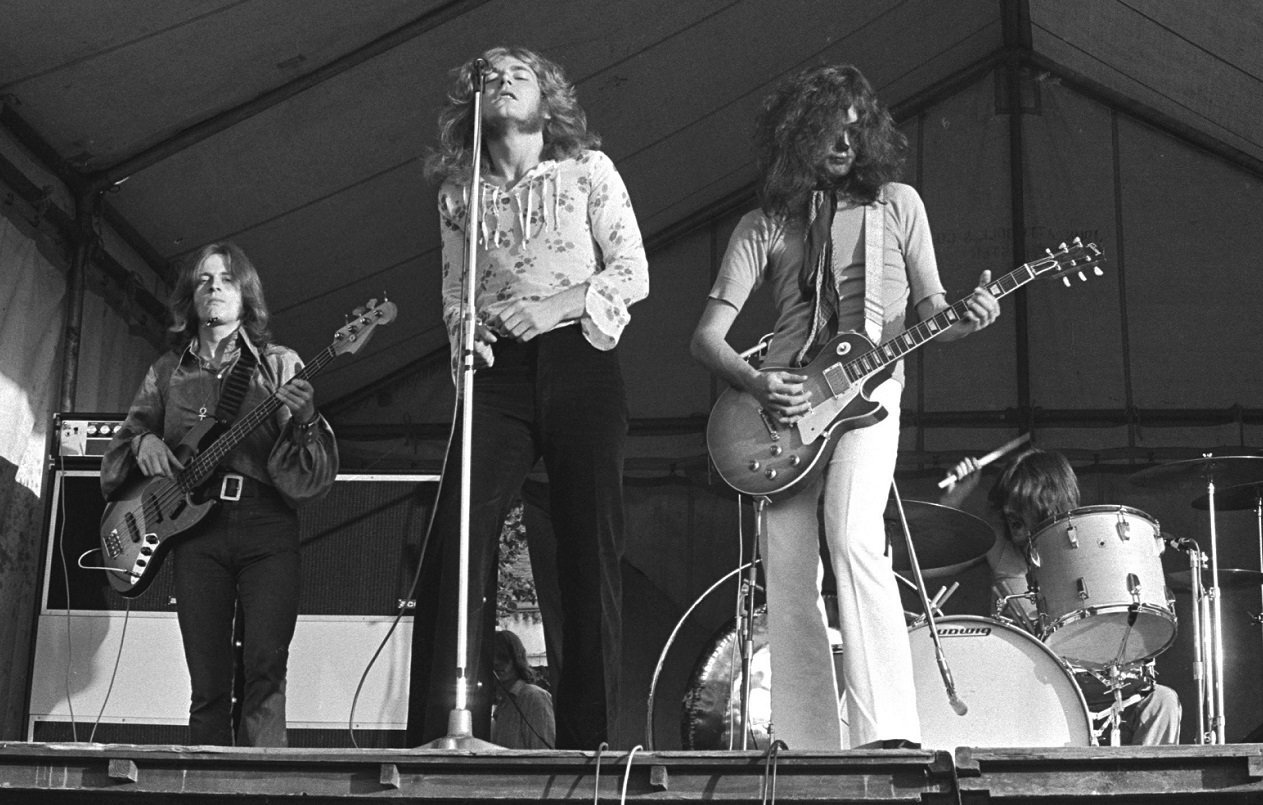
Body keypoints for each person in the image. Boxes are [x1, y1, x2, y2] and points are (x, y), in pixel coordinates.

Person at [690, 64, 999, 750]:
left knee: (854, 532)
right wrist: (756, 381)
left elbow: (933, 315)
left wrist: (971, 317)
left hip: (869, 393)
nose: (847, 136)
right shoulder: (763, 224)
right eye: (833, 120)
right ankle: (805, 742)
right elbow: (706, 338)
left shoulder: (897, 205)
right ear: (799, 130)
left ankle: (887, 731)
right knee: (788, 570)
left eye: (860, 122)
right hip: (781, 408)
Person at [406, 45, 648, 750]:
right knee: (458, 534)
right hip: (498, 371)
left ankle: (590, 739)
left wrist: (553, 307)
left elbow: (631, 270)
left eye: (520, 73)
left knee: (586, 543)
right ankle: (444, 726)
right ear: (472, 104)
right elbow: (454, 290)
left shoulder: (586, 171)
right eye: (487, 74)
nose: (503, 80)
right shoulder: (460, 194)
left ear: (548, 97)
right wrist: (465, 334)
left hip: (580, 353)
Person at [101, 241, 339, 746]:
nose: (214, 288)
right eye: (205, 279)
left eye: (227, 279)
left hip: (265, 523)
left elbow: (311, 478)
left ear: (245, 295)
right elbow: (121, 448)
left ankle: (265, 789)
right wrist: (143, 440)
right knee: (207, 682)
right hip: (195, 532)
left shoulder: (278, 364)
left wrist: (306, 419)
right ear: (191, 296)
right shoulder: (168, 371)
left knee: (265, 670)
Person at [940, 447, 1181, 745]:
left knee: (1163, 702)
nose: (1010, 512)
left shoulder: (1089, 545)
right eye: (1008, 505)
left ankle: (1144, 791)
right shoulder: (1002, 550)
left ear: (1047, 500)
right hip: (1029, 687)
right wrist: (954, 498)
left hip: (1100, 682)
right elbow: (932, 558)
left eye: (1021, 503)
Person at [491, 629, 556, 749]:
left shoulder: (534, 698)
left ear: (516, 658)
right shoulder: (504, 704)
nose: (496, 662)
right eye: (491, 658)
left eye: (502, 657)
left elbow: (544, 754)